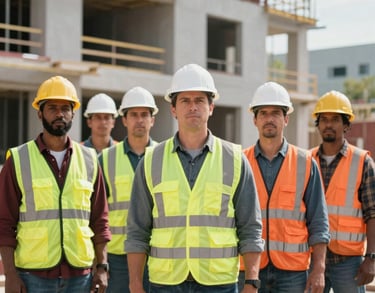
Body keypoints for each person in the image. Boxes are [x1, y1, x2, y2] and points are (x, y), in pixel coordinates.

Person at [125, 63, 264, 293]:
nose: (192, 107)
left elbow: (250, 228)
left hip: (218, 283)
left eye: (199, 100)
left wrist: (251, 282)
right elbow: (138, 230)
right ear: (173, 109)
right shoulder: (151, 161)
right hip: (166, 283)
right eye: (185, 101)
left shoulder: (235, 160)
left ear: (211, 107)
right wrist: (135, 284)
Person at [0, 76, 111, 293]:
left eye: (65, 108)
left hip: (80, 277)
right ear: (40, 112)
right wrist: (10, 275)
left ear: (73, 113)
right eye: (52, 108)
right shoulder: (18, 159)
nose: (59, 114)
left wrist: (102, 267)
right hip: (33, 276)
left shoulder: (89, 159)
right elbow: (4, 223)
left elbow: (100, 220)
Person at [242, 81, 330, 293]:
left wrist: (319, 270)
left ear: (286, 118)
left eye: (276, 113)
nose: (269, 119)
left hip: (293, 272)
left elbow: (318, 221)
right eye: (263, 113)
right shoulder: (241, 162)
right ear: (255, 119)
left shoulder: (306, 162)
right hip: (251, 270)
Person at [311, 90, 375, 293]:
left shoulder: (362, 162)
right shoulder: (305, 160)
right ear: (318, 124)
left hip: (349, 262)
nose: (329, 124)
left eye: (335, 119)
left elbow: (372, 213)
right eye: (324, 119)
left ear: (346, 124)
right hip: (312, 258)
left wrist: (371, 258)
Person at [100, 86, 159, 292]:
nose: (140, 120)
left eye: (144, 114)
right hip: (118, 259)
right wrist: (100, 260)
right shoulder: (106, 159)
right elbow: (96, 214)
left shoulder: (165, 156)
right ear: (124, 120)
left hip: (157, 254)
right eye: (134, 114)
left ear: (152, 119)